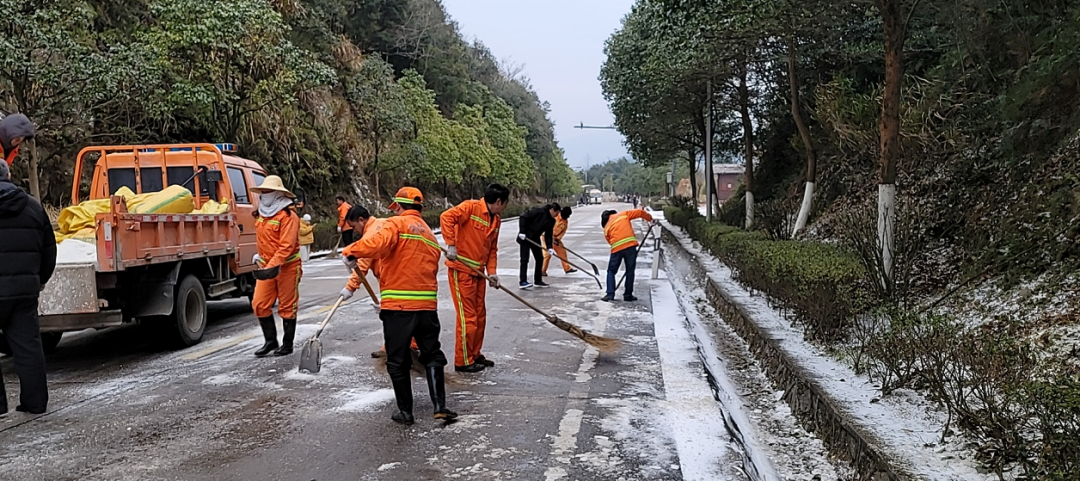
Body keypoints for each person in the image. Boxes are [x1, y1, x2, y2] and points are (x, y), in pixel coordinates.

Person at [343, 187, 456, 425]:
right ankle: (440, 406)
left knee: (397, 359)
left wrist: (351, 250)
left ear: (397, 207)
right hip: (426, 306)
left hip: (399, 307)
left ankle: (406, 412)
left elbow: (376, 243)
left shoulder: (395, 224)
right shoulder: (429, 233)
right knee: (432, 354)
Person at [0, 158, 54, 415]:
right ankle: (35, 403)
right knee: (28, 347)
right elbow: (49, 250)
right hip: (23, 291)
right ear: (9, 175)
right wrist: (39, 279)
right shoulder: (33, 208)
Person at [441, 183, 509, 373]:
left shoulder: (496, 220)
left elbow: (492, 249)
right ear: (498, 201)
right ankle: (462, 360)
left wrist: (492, 272)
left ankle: (474, 353)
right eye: (505, 203)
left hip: (478, 273)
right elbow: (446, 217)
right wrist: (451, 244)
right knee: (467, 317)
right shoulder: (470, 208)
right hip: (462, 270)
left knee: (480, 315)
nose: (505, 207)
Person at [250, 175, 302, 357]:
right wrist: (260, 256)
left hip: (288, 267)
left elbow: (286, 246)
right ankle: (270, 342)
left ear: (278, 194)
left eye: (267, 191)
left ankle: (287, 344)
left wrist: (270, 265)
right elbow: (265, 240)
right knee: (259, 304)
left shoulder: (288, 216)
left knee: (287, 306)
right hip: (267, 266)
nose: (264, 195)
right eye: (262, 191)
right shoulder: (261, 214)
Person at [601, 208, 655, 302]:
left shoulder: (606, 228)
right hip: (630, 246)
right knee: (630, 271)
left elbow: (610, 241)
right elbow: (640, 212)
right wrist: (650, 219)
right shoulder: (623, 214)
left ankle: (610, 294)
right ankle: (628, 295)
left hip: (616, 248)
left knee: (611, 271)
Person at [517, 203, 560, 289]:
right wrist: (522, 231)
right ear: (552, 210)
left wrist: (549, 247)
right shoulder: (538, 211)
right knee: (525, 259)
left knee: (540, 258)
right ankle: (522, 281)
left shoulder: (551, 221)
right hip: (525, 237)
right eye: (556, 213)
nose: (557, 215)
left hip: (535, 238)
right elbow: (523, 217)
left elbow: (548, 234)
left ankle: (538, 280)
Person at [542, 206, 577, 276]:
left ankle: (567, 268)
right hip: (546, 237)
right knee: (547, 255)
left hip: (555, 239)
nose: (567, 218)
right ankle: (542, 270)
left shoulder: (565, 221)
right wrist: (550, 237)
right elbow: (547, 228)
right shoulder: (555, 216)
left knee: (562, 252)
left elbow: (563, 231)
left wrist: (558, 239)